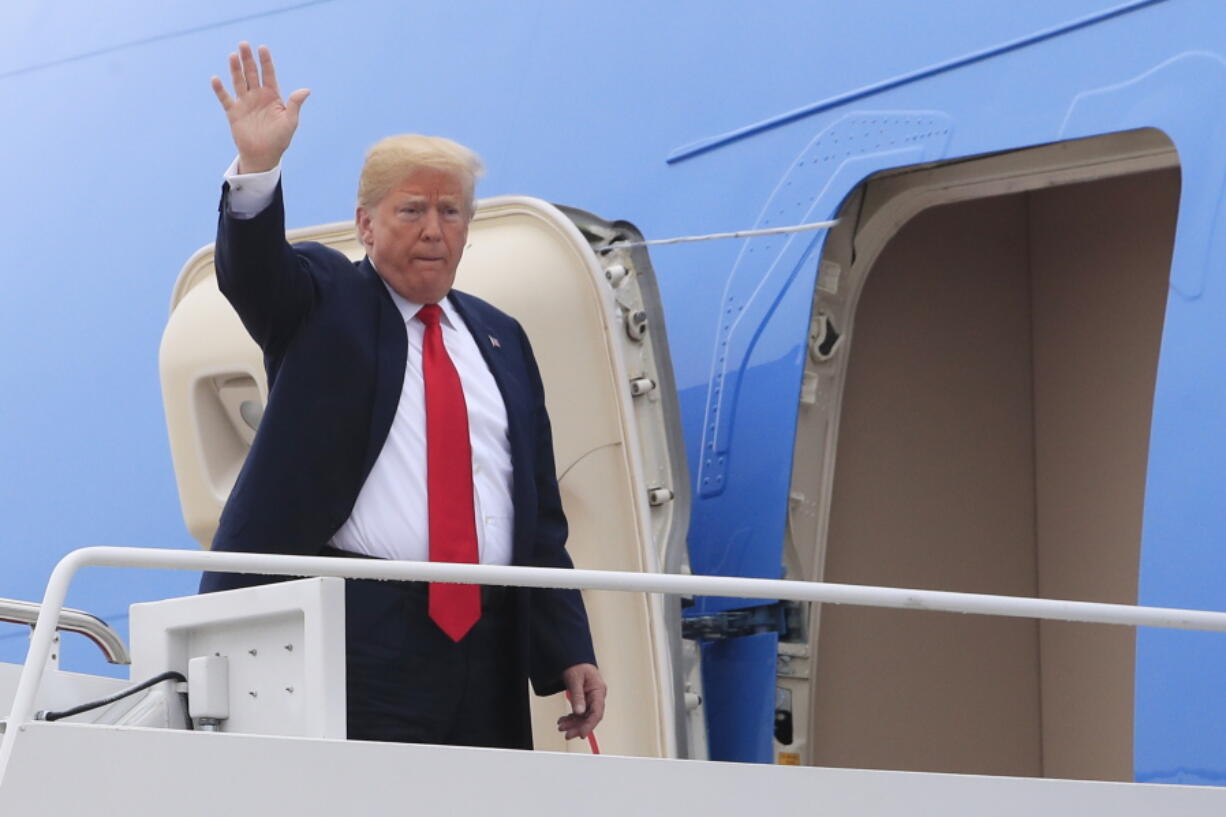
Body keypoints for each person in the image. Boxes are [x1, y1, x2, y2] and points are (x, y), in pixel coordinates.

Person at [199, 42, 606, 749]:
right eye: (411, 209)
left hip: (487, 638)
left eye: (451, 212)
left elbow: (538, 517)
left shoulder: (500, 339)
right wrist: (259, 167)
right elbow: (255, 273)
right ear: (365, 224)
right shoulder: (327, 300)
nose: (432, 230)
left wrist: (569, 645)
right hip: (364, 630)